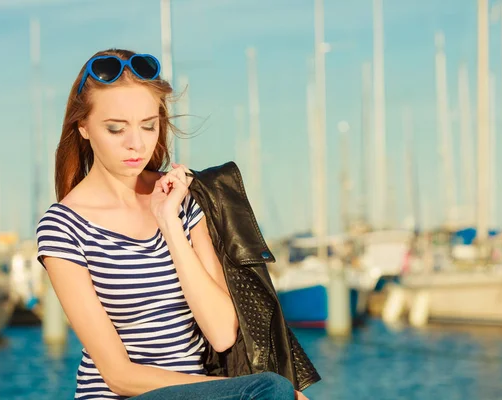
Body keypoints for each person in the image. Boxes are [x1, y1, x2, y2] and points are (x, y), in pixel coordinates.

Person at [36, 49, 310, 400]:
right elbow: (118, 376)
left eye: (148, 125)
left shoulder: (179, 198)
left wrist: (169, 223)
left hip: (200, 393)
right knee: (274, 391)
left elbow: (222, 332)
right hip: (126, 396)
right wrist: (244, 391)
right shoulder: (63, 226)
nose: (136, 143)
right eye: (116, 129)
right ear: (84, 127)